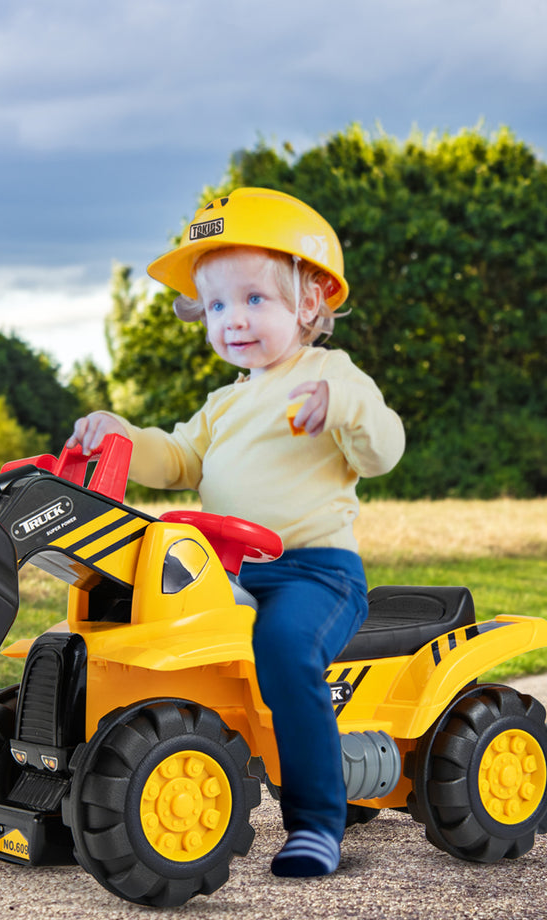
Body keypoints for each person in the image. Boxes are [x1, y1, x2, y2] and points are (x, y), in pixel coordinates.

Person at [67, 187, 405, 877]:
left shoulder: (330, 377)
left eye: (254, 300)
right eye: (217, 305)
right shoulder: (223, 404)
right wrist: (122, 434)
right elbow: (178, 459)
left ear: (310, 302)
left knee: (284, 650)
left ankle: (316, 822)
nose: (232, 320)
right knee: (147, 633)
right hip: (226, 573)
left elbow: (385, 448)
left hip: (315, 573)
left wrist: (339, 407)